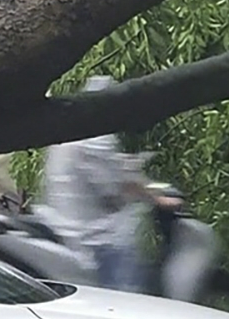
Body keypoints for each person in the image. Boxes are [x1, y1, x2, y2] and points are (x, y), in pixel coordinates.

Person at [40, 75, 181, 293]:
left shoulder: (71, 131)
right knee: (127, 293)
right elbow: (115, 188)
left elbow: (109, 169)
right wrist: (158, 199)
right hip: (93, 238)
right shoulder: (95, 137)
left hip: (65, 224)